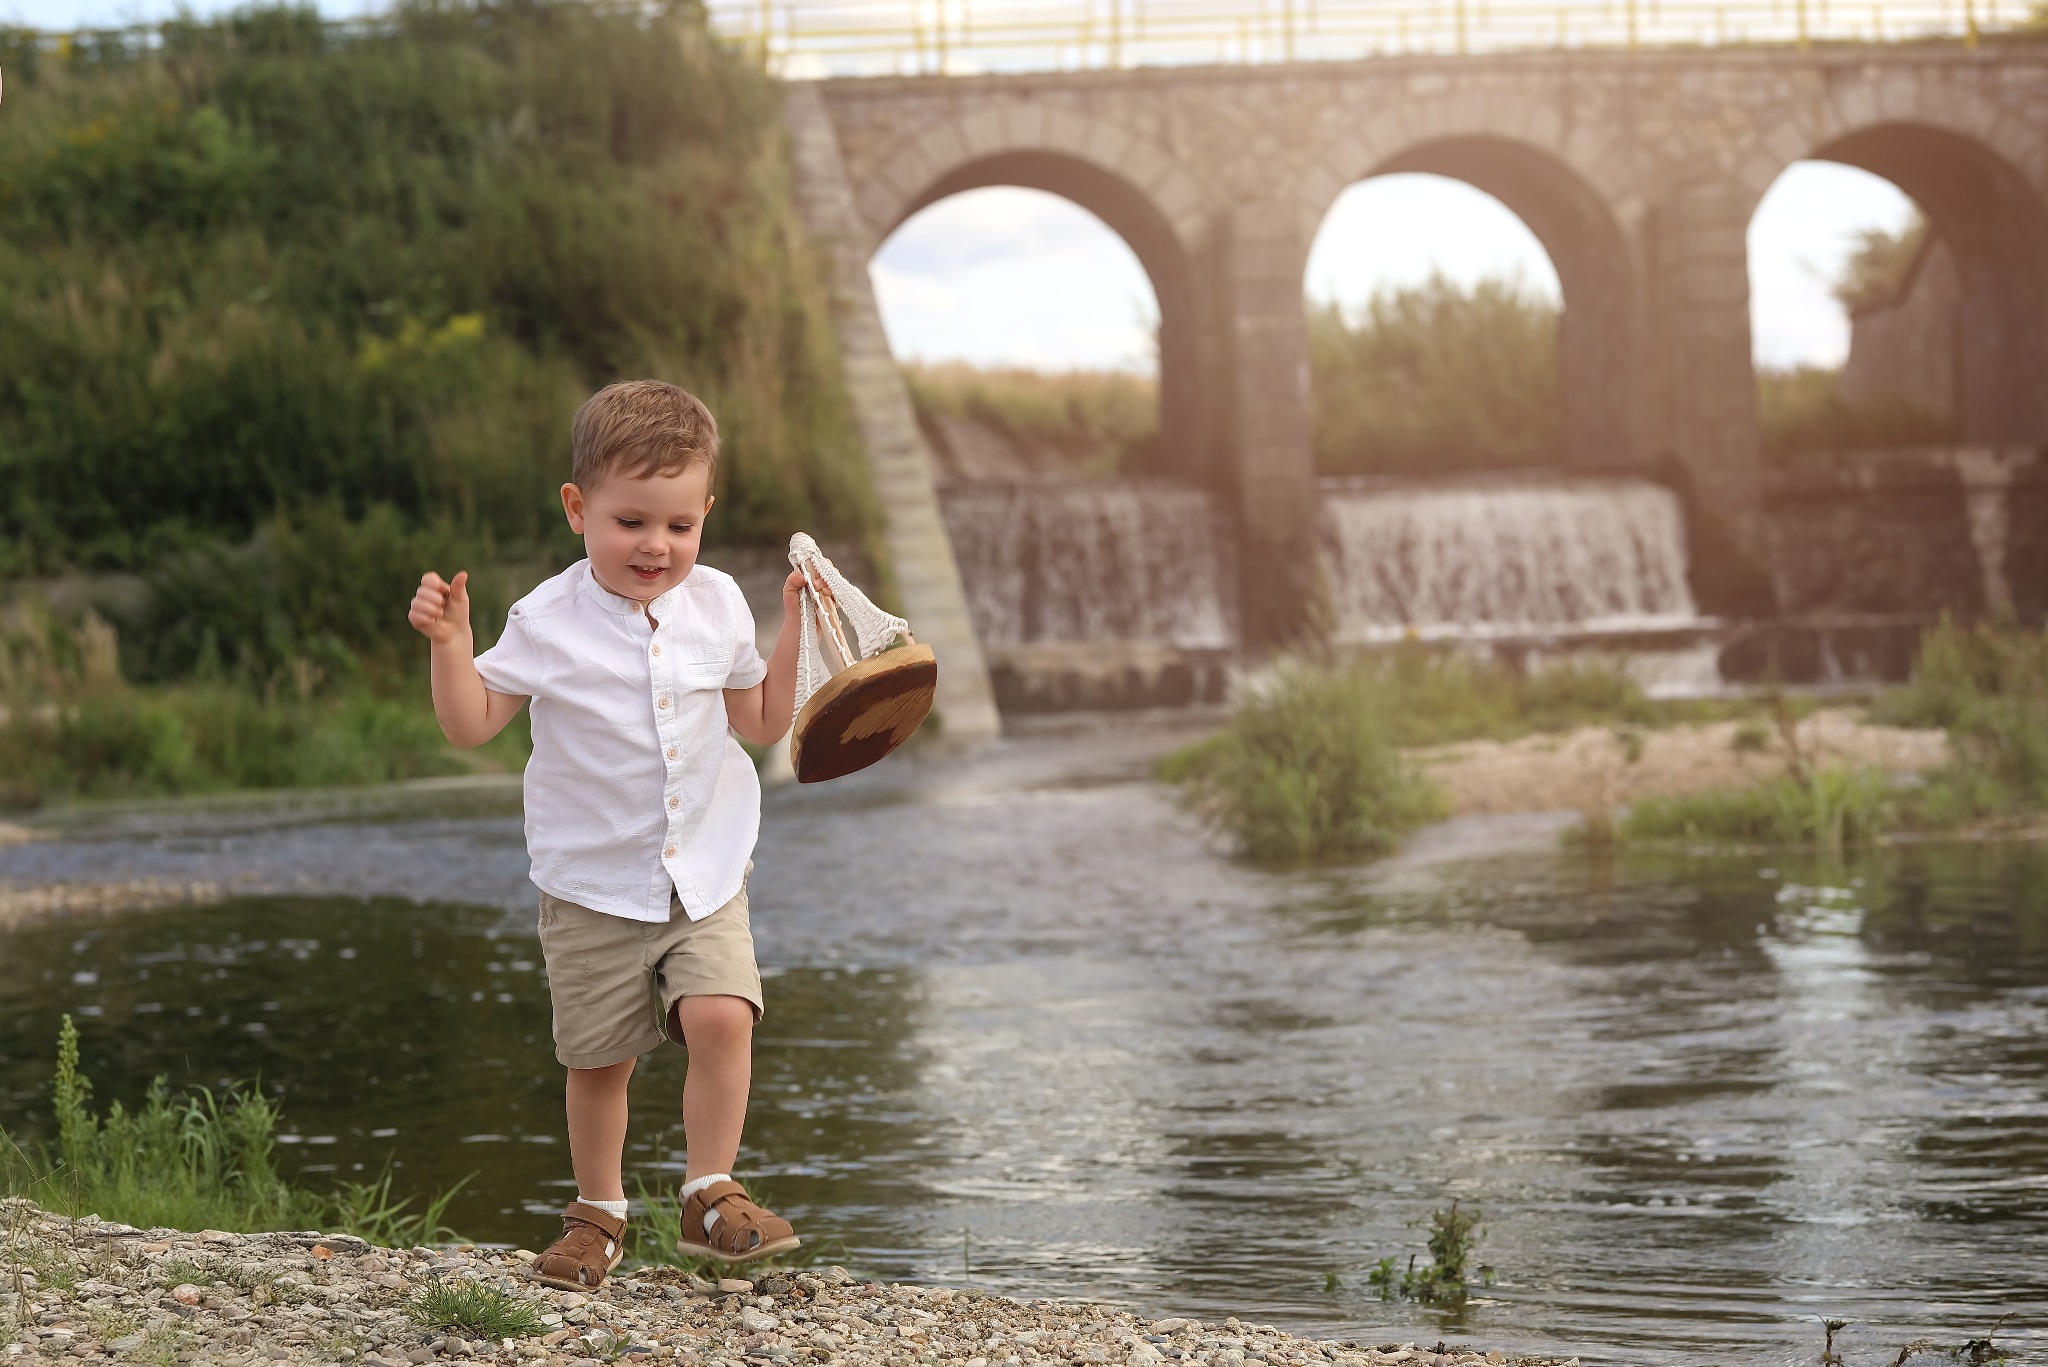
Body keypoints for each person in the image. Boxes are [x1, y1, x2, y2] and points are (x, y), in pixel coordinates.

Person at [406, 379, 810, 1288]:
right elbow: (470, 725)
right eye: (631, 522)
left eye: (679, 524)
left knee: (723, 1014)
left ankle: (710, 1194)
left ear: (705, 514)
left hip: (703, 870)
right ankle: (598, 1212)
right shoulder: (545, 620)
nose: (656, 545)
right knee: (600, 1062)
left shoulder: (719, 604)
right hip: (591, 884)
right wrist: (450, 645)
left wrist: (793, 629)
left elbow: (760, 718)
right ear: (578, 508)